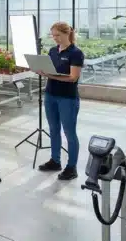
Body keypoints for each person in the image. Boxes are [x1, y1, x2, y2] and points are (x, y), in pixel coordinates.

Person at [35, 21, 84, 181]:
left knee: (69, 132)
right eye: (53, 35)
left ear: (67, 33)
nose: (55, 38)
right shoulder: (52, 51)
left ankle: (72, 167)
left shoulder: (76, 53)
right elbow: (51, 71)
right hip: (50, 95)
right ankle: (55, 161)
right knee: (53, 129)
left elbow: (73, 77)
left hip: (67, 98)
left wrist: (50, 75)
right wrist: (42, 71)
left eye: (58, 35)